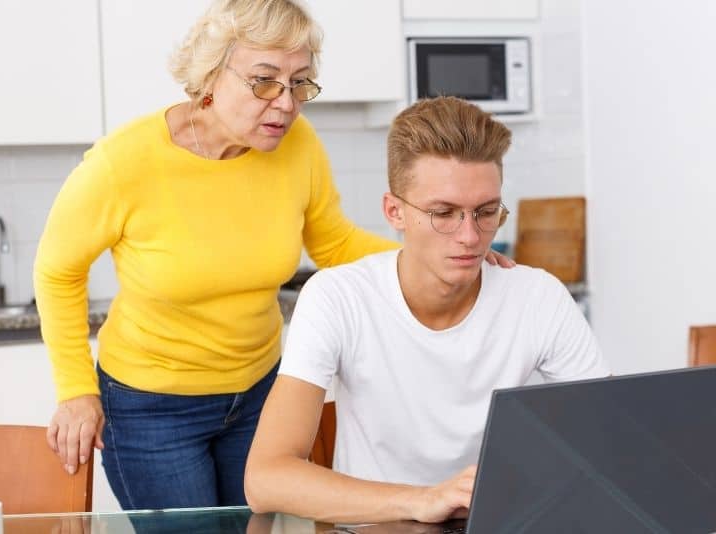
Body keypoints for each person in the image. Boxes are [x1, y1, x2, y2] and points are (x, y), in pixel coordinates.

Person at [34, 0, 516, 511]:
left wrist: (443, 252)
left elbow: (334, 244)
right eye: (264, 81)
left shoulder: (298, 146)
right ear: (211, 74)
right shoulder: (122, 163)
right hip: (153, 406)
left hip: (259, 394)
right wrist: (75, 390)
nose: (285, 104)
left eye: (299, 83)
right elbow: (57, 270)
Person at [244, 96, 611, 524]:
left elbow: (608, 445)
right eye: (444, 214)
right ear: (394, 211)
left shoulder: (538, 297)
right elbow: (265, 479)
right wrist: (422, 500)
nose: (470, 237)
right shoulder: (337, 298)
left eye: (486, 212)